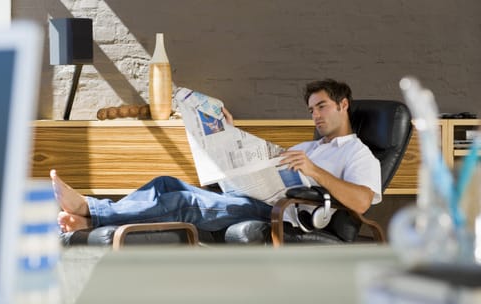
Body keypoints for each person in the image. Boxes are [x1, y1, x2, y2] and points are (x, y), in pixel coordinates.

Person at [51, 79, 381, 236]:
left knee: (187, 203)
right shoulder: (310, 147)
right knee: (167, 183)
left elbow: (363, 202)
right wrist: (228, 135)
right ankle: (92, 220)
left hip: (288, 217)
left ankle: (90, 209)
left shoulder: (358, 153)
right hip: (258, 198)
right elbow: (264, 166)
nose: (315, 116)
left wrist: (315, 172)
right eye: (311, 110)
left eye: (321, 106)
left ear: (343, 105)